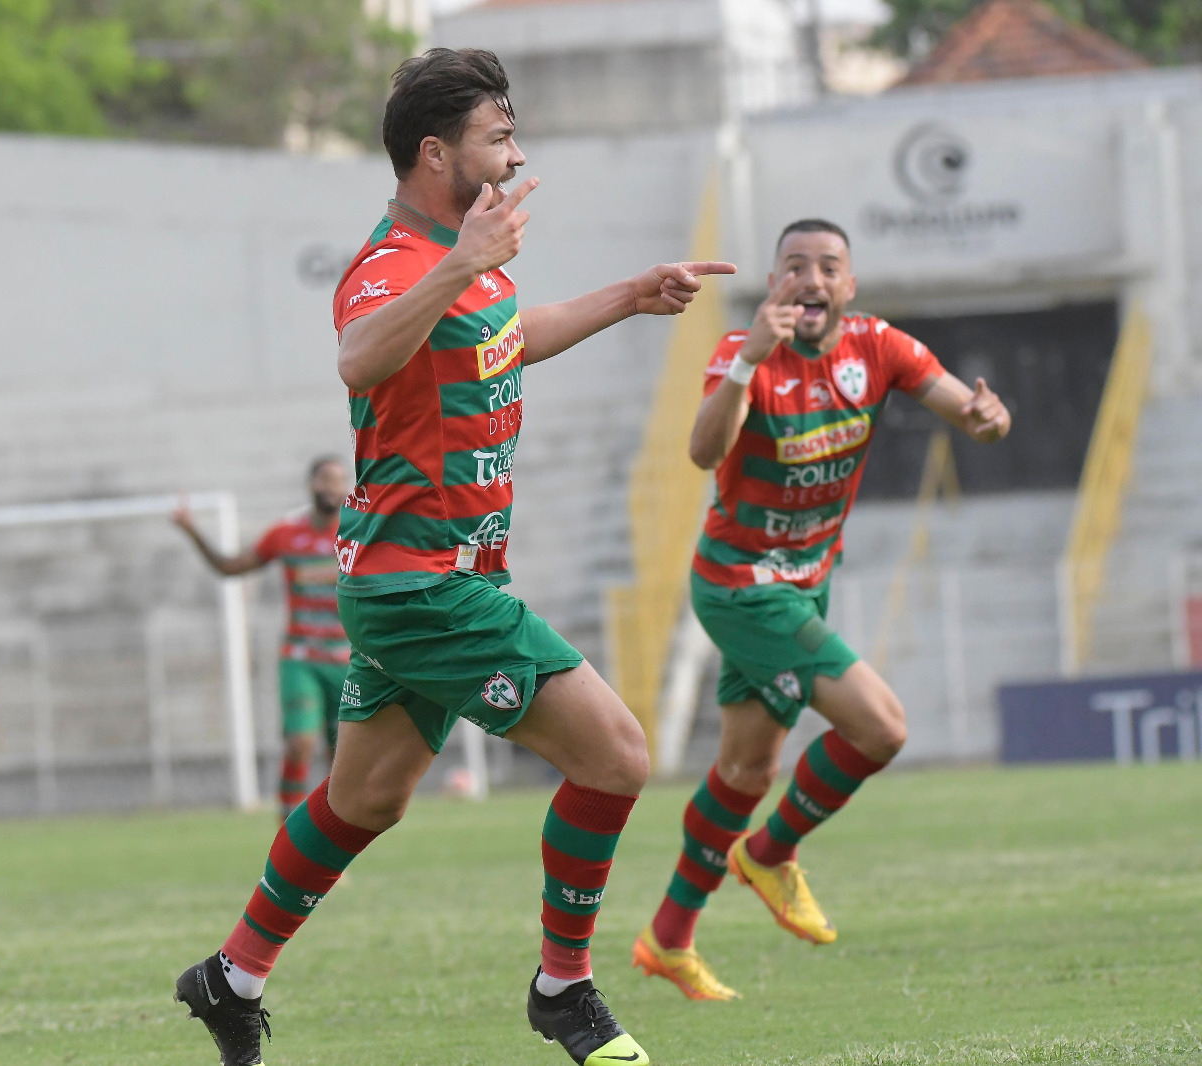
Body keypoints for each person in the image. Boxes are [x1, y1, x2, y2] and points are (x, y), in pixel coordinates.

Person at [173, 48, 734, 1066]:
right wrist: (461, 265)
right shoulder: (395, 263)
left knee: (364, 801)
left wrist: (629, 294)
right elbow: (357, 355)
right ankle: (563, 989)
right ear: (437, 153)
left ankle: (231, 974)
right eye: (498, 136)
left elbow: (507, 336)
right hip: (424, 586)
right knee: (615, 756)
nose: (515, 154)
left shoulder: (466, 265)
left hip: (421, 584)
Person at [631, 219, 1012, 1001]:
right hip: (741, 584)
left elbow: (959, 408)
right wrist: (748, 362)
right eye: (793, 266)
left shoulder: (878, 347)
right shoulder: (743, 355)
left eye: (827, 267)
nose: (810, 279)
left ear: (849, 286)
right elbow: (705, 453)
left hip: (806, 579)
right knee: (882, 726)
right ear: (774, 285)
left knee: (745, 769)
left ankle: (667, 940)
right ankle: (768, 855)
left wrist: (987, 417)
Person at [173, 457, 352, 819]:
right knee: (300, 743)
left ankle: (326, 852)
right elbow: (230, 567)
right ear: (311, 485)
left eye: (338, 480)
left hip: (348, 662)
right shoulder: (286, 534)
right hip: (302, 659)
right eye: (324, 480)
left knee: (342, 763)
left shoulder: (357, 532)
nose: (331, 487)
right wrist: (192, 532)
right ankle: (286, 830)